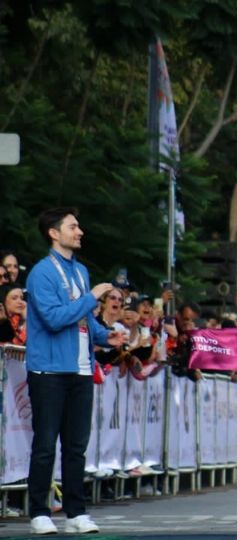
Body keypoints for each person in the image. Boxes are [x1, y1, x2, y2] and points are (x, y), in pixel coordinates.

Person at [25, 208, 125, 535]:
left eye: (78, 226)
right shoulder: (41, 273)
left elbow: (83, 321)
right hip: (49, 370)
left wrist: (104, 336)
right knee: (45, 444)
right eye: (73, 226)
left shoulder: (80, 271)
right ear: (54, 233)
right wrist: (92, 297)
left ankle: (75, 512)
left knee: (76, 446)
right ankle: (39, 511)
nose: (79, 231)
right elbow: (54, 319)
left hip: (82, 369)